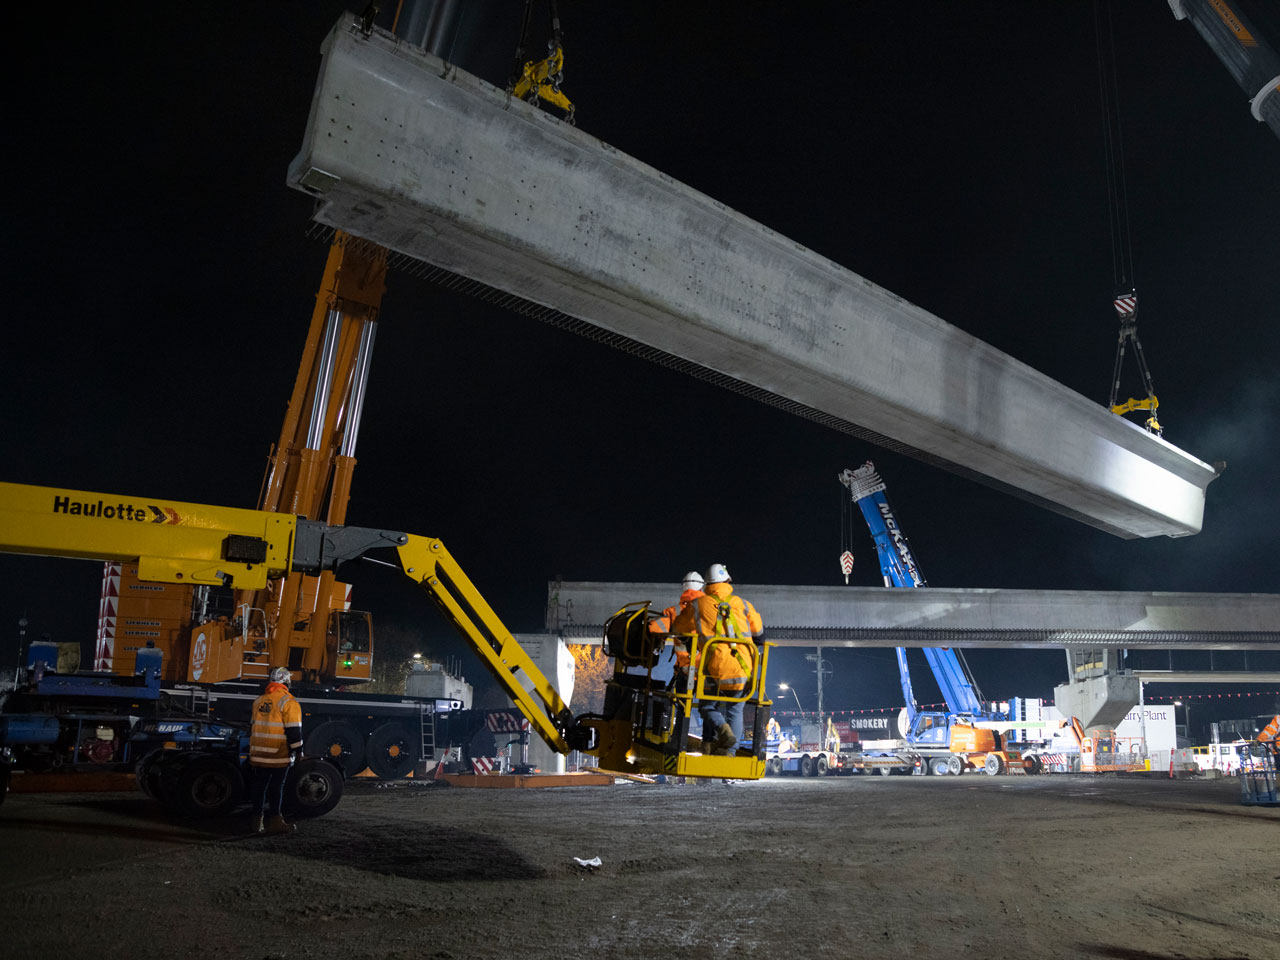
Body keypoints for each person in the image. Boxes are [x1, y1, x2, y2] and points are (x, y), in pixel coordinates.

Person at [669, 563, 764, 755]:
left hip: (714, 670)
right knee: (735, 711)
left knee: (706, 706)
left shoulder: (698, 605)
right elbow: (760, 634)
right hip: (743, 669)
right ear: (728, 581)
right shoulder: (743, 604)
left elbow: (677, 628)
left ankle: (722, 730)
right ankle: (730, 753)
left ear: (708, 585)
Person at [249, 666, 304, 834]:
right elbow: (294, 731)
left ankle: (256, 822)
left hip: (258, 754)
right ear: (286, 681)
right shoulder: (289, 702)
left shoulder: (259, 701)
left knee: (260, 786)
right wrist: (299, 751)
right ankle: (275, 821)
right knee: (276, 787)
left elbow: (253, 726)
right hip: (278, 755)